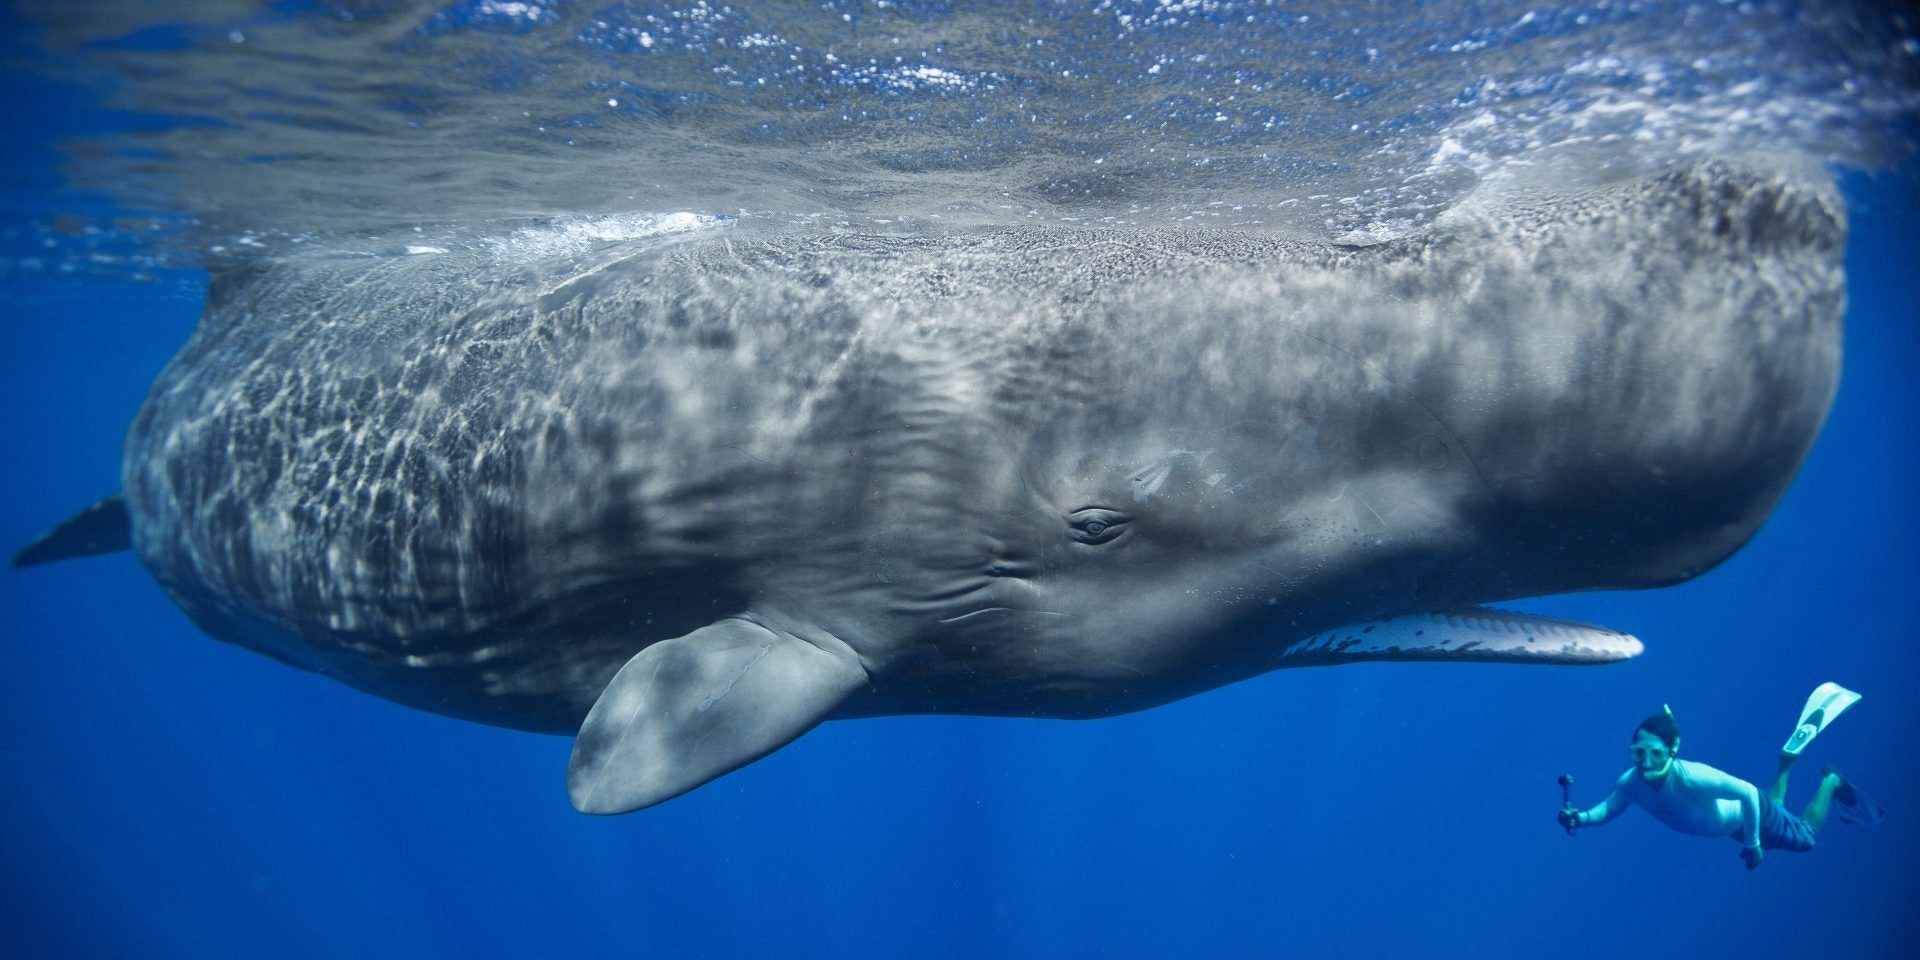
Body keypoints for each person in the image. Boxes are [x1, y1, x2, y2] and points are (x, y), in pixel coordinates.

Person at [1557, 703, 1879, 870]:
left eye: (1654, 753)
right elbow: (1610, 808)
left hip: (1749, 817)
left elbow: (1748, 794)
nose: (1645, 762)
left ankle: (1831, 780)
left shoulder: (1692, 776)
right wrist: (1580, 818)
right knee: (1774, 807)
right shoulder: (1631, 783)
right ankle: (1786, 763)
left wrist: (1753, 845)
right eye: (1638, 753)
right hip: (1735, 826)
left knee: (1806, 839)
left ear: (1672, 750)